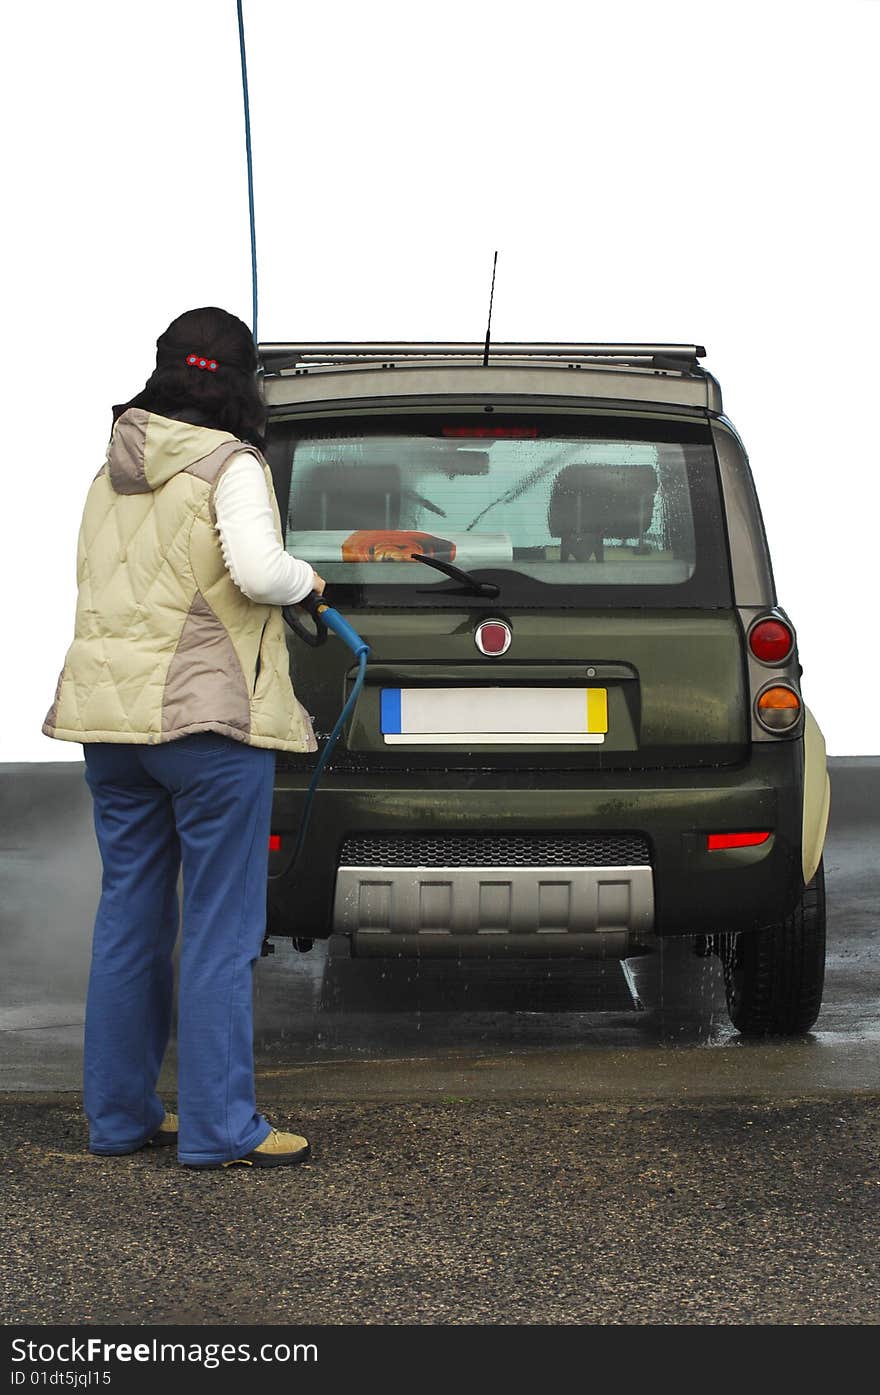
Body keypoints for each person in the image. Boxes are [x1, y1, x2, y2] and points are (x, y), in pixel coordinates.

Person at [42, 307, 323, 1169]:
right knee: (218, 927)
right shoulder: (228, 463)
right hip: (205, 726)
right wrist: (312, 578)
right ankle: (219, 1127)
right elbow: (260, 570)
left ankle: (121, 1117)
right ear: (241, 384)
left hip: (112, 728)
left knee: (129, 916)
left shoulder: (112, 468)